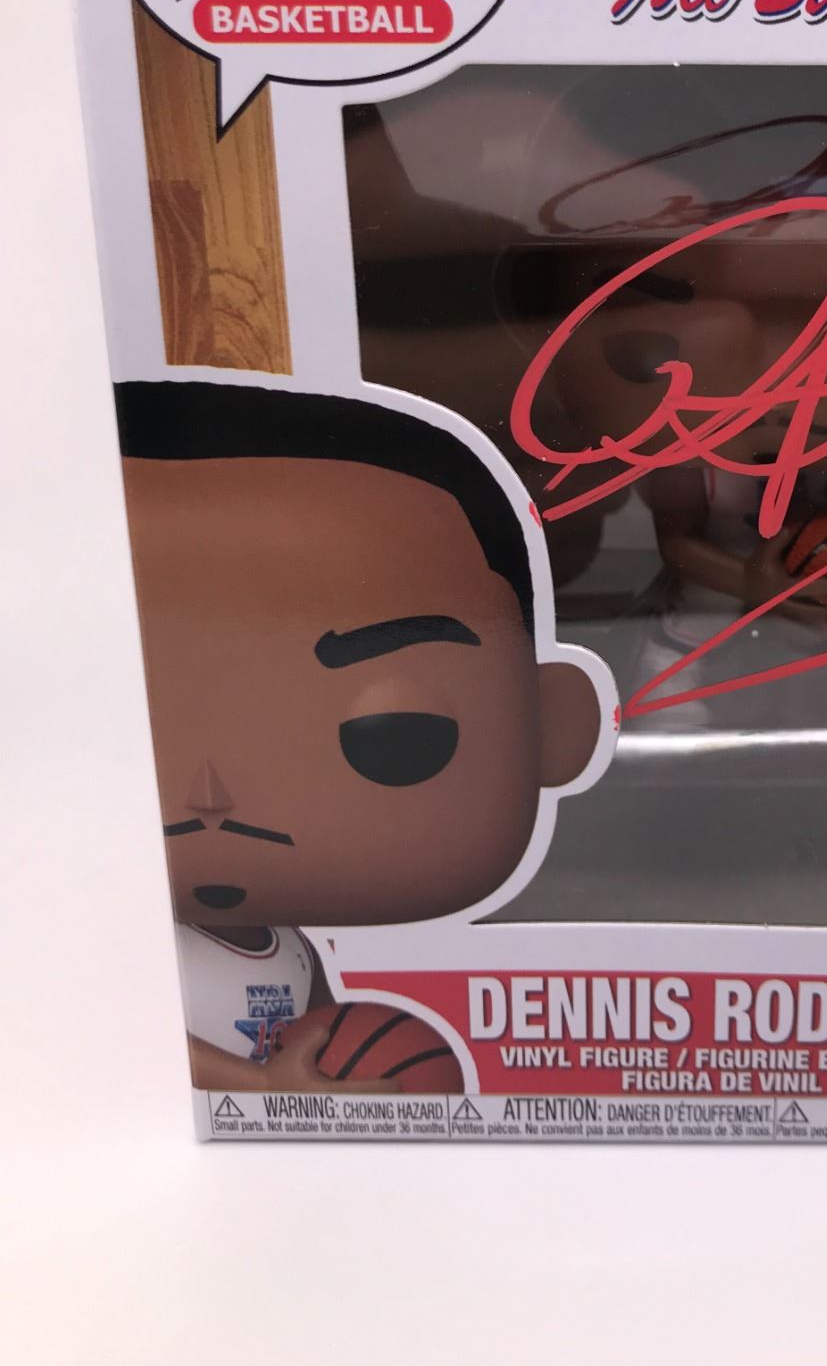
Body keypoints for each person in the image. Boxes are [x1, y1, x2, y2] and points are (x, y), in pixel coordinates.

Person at [117, 380, 608, 1092]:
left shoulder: (291, 948)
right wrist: (265, 1087)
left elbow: (325, 1026)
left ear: (556, 726)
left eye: (392, 737)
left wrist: (370, 1068)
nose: (210, 796)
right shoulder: (139, 948)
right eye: (126, 727)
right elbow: (130, 1039)